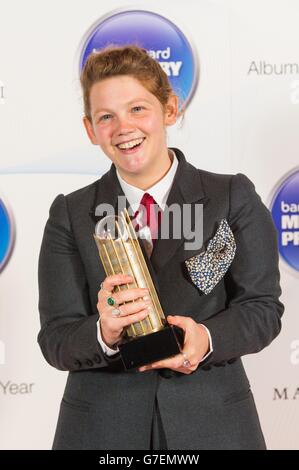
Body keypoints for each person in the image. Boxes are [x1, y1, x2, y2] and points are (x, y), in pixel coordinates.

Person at [38, 45, 284, 450]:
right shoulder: (71, 212)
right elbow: (56, 339)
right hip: (101, 428)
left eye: (138, 109)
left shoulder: (231, 197)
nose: (123, 128)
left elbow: (262, 309)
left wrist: (205, 338)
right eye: (106, 117)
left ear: (170, 109)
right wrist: (103, 331)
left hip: (214, 425)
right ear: (89, 129)